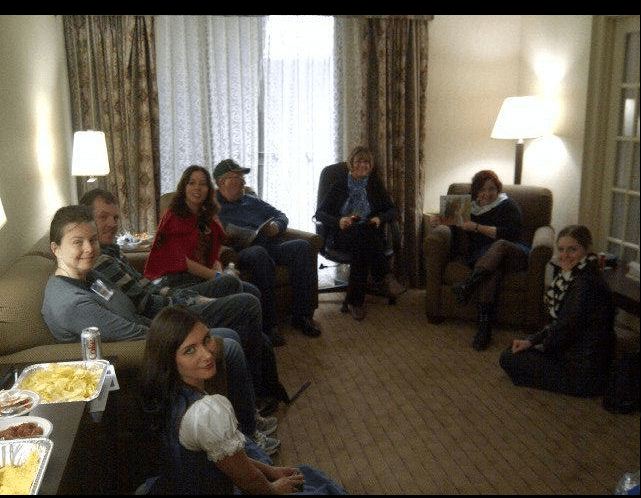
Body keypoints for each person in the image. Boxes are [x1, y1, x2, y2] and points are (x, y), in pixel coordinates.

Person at [41, 205, 283, 452]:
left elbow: (132, 313)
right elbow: (132, 334)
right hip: (134, 359)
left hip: (146, 331)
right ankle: (250, 438)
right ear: (55, 248)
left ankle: (246, 420)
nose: (89, 248)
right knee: (227, 344)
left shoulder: (89, 276)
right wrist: (180, 330)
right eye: (78, 242)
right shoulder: (71, 302)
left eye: (93, 240)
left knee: (229, 331)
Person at [138, 305, 348, 495]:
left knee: (255, 455)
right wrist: (273, 489)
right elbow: (249, 481)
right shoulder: (207, 412)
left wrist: (270, 471)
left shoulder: (168, 392)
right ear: (169, 359)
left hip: (177, 484)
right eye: (190, 350)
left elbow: (229, 461)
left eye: (206, 339)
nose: (207, 354)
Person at [141, 166, 285, 348]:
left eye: (202, 184)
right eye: (192, 183)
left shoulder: (206, 215)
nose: (197, 188)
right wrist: (218, 277)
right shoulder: (173, 216)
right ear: (184, 187)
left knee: (253, 291)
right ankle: (256, 344)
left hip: (198, 279)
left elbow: (214, 253)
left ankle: (253, 339)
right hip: (175, 282)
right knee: (231, 283)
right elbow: (184, 262)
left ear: (209, 189)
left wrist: (219, 272)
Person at [499, 225, 616, 398]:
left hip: (581, 371)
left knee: (508, 357)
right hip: (578, 357)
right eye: (561, 250)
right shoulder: (578, 274)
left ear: (586, 249)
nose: (565, 255)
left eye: (572, 249)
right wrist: (531, 341)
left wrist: (538, 345)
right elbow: (561, 324)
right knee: (519, 348)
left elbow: (564, 330)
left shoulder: (583, 284)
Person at [214, 158, 322, 338]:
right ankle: (269, 325)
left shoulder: (251, 200)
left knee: (302, 246)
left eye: (243, 177)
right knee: (259, 253)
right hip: (241, 252)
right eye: (238, 177)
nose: (243, 182)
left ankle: (301, 315)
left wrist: (275, 227)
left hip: (269, 245)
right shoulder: (212, 206)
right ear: (221, 182)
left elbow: (281, 215)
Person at [432, 170, 530, 351]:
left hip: (513, 252)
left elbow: (511, 233)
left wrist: (477, 227)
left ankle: (468, 286)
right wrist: (438, 220)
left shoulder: (508, 205)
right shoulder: (468, 206)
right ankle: (484, 329)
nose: (487, 193)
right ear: (475, 191)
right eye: (482, 189)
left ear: (498, 189)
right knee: (491, 272)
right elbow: (446, 223)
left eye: (492, 188)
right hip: (484, 257)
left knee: (500, 244)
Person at [314, 146, 406, 320]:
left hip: (367, 232)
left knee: (362, 242)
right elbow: (320, 213)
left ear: (371, 166)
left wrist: (379, 218)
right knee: (364, 238)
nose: (362, 165)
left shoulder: (374, 184)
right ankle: (384, 275)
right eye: (359, 161)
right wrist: (339, 221)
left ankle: (355, 301)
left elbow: (392, 210)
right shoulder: (340, 185)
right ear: (352, 163)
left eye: (367, 162)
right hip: (343, 234)